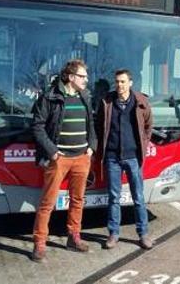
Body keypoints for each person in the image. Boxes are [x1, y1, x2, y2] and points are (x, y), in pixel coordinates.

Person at [30, 59, 97, 262]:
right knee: (47, 202)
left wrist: (91, 146)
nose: (86, 80)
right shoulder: (49, 97)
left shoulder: (85, 96)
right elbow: (37, 127)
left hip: (81, 157)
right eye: (82, 76)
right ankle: (39, 243)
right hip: (59, 159)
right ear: (70, 77)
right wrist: (52, 152)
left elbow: (91, 122)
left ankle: (73, 237)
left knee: (77, 200)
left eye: (86, 76)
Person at [96, 69, 154, 250]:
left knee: (138, 197)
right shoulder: (107, 102)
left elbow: (148, 126)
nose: (119, 85)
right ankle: (113, 234)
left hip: (133, 158)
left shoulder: (141, 102)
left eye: (123, 82)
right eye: (117, 82)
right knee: (114, 197)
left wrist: (143, 144)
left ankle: (143, 234)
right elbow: (99, 126)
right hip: (112, 158)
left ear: (130, 83)